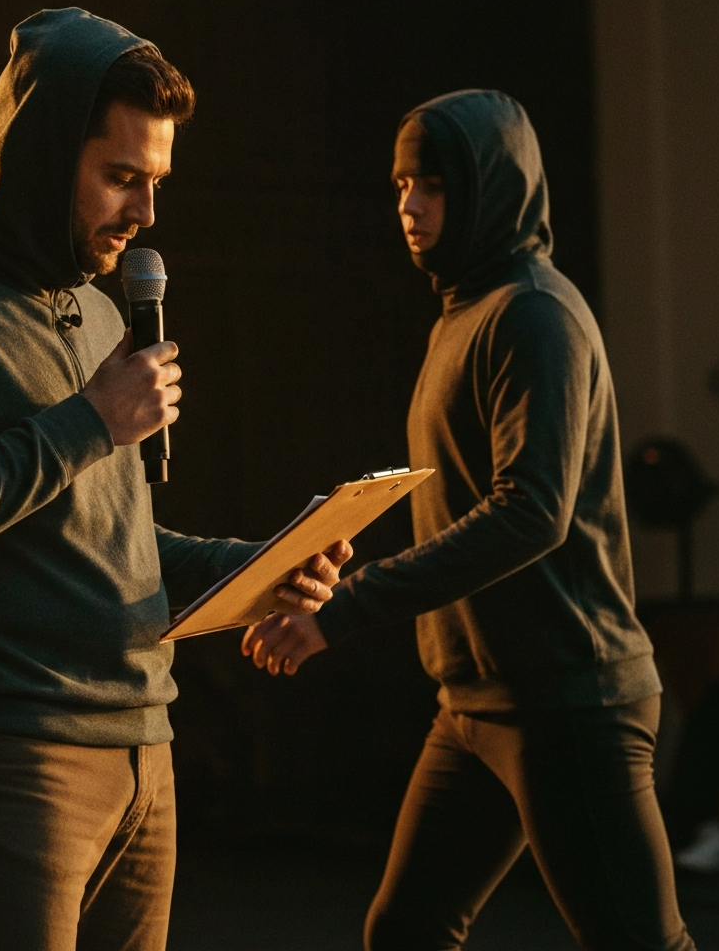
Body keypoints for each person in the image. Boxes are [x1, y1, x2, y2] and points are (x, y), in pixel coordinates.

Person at [0, 7, 348, 951]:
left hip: (143, 753)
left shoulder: (106, 318)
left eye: (155, 183)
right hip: (8, 757)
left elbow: (107, 547)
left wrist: (264, 564)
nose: (145, 215)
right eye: (120, 179)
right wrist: (86, 422)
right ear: (38, 156)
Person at [242, 90, 695, 951]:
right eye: (402, 182)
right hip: (476, 702)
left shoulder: (534, 315)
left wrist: (343, 611)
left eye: (435, 185)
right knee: (406, 934)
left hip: (570, 701)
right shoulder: (465, 311)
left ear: (490, 189)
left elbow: (531, 515)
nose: (409, 205)